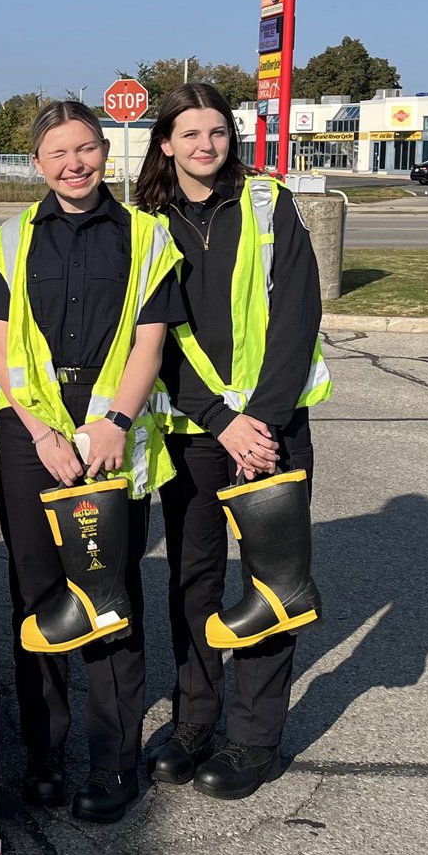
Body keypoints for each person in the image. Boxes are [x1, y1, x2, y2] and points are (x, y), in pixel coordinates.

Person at [0, 100, 187, 823]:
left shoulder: (146, 237)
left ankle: (112, 764)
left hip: (109, 440)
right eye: (59, 153)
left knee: (109, 599)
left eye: (87, 149)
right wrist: (39, 433)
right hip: (33, 444)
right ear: (38, 163)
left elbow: (150, 344)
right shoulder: (8, 240)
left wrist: (113, 423)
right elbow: (3, 354)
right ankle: (44, 759)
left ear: (106, 151)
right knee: (39, 602)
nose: (75, 164)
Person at [134, 84, 330, 800]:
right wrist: (221, 420)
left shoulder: (267, 205)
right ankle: (194, 720)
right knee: (194, 582)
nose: (205, 145)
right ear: (165, 144)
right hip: (194, 431)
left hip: (274, 430)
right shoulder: (143, 221)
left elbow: (297, 316)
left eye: (217, 132)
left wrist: (266, 424)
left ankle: (253, 739)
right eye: (190, 134)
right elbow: (149, 340)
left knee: (272, 586)